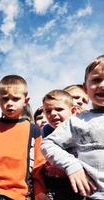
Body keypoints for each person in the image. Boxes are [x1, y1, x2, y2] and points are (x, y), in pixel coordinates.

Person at [0, 75, 47, 200]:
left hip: (17, 194)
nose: (9, 103)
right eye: (5, 99)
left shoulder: (33, 130)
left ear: (26, 101)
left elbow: (38, 166)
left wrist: (39, 192)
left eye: (15, 99)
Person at [41, 55, 104, 200]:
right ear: (85, 89)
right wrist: (72, 165)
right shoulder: (76, 122)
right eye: (96, 80)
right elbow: (48, 143)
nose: (102, 84)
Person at [41, 89, 81, 200]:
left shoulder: (80, 129)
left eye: (59, 109)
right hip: (58, 188)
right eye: (48, 111)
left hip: (82, 185)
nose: (53, 114)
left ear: (73, 111)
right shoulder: (46, 131)